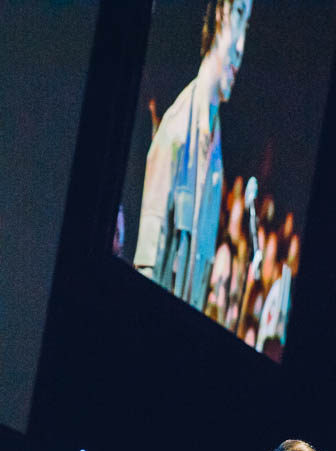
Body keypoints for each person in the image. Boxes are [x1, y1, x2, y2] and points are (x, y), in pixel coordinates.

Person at [132, 0, 253, 311]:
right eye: (237, 15)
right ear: (217, 13)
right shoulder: (174, 136)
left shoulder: (215, 157)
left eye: (247, 26)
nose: (241, 46)